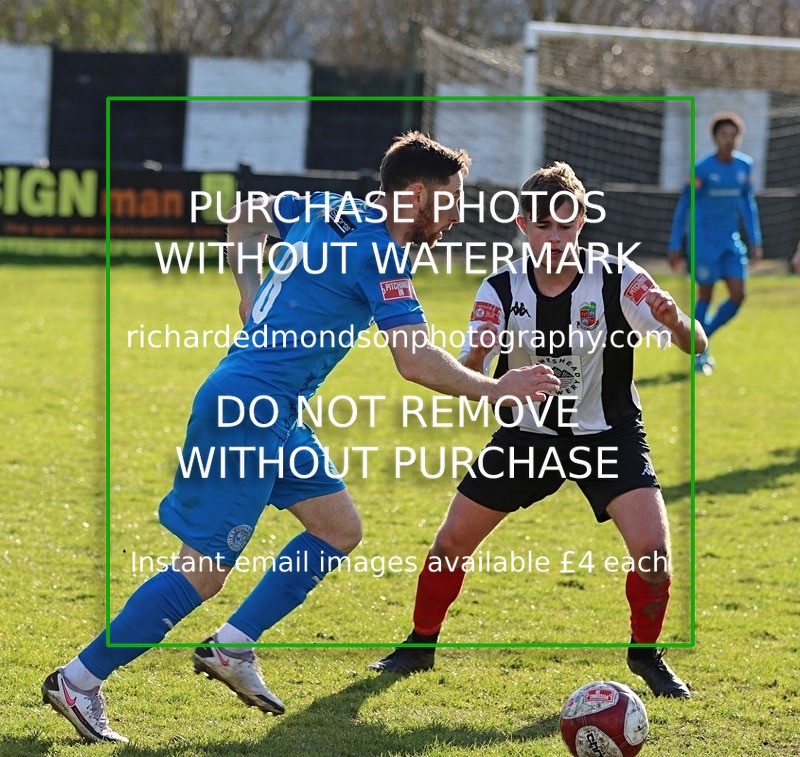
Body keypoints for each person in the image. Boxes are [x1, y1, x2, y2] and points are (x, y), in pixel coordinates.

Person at [42, 132, 561, 743]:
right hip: (247, 409)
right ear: (414, 194)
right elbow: (415, 360)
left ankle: (231, 648)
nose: (457, 213)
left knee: (338, 528)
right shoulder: (383, 256)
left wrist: (246, 290)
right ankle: (79, 679)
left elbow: (246, 215)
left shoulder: (332, 209)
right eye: (449, 200)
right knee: (203, 571)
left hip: (271, 409)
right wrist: (497, 390)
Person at [370, 162, 707, 700]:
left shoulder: (620, 277)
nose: (556, 238)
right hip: (527, 437)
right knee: (450, 543)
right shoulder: (500, 286)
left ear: (582, 223)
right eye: (544, 226)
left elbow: (698, 346)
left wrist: (676, 323)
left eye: (567, 226)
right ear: (523, 225)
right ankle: (418, 645)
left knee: (654, 556)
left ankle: (646, 656)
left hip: (608, 434)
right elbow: (469, 368)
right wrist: (485, 367)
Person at [668, 112, 762, 375]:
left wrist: (755, 239)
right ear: (715, 138)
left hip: (731, 242)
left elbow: (748, 204)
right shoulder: (703, 170)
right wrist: (676, 243)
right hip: (704, 243)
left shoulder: (744, 166)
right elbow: (684, 206)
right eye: (724, 135)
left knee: (738, 295)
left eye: (734, 136)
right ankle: (699, 353)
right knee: (706, 295)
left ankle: (699, 336)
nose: (729, 140)